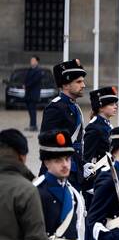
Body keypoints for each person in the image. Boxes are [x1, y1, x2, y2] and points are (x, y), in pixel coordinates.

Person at [82, 86, 119, 240]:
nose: (115, 107)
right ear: (100, 106)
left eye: (115, 103)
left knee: (103, 222)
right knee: (93, 224)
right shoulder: (94, 127)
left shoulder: (105, 125)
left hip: (105, 181)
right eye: (111, 103)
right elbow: (87, 159)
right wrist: (89, 184)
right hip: (95, 183)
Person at [41, 59, 86, 190]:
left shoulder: (74, 107)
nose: (83, 85)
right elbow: (47, 142)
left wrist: (83, 164)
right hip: (61, 171)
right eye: (78, 82)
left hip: (75, 170)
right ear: (65, 85)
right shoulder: (55, 107)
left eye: (82, 81)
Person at [23, 56, 44, 131]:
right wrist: (24, 84)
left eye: (33, 60)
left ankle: (34, 126)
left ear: (37, 62)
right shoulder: (29, 70)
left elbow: (34, 81)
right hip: (28, 93)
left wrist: (26, 85)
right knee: (30, 110)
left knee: (33, 110)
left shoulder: (38, 71)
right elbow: (26, 79)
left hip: (34, 93)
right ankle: (31, 125)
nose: (31, 61)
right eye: (31, 60)